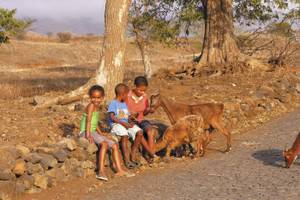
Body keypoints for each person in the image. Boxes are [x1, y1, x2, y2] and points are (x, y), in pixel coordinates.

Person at [79, 85, 131, 181]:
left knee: (114, 145)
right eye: (93, 97)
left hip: (93, 131)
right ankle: (101, 171)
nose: (96, 100)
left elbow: (95, 123)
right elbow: (89, 121)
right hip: (86, 131)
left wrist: (100, 133)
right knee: (104, 144)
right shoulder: (91, 106)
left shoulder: (97, 107)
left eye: (98, 98)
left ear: (102, 98)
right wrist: (88, 134)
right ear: (90, 97)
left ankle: (119, 170)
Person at [108, 83, 154, 168]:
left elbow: (127, 116)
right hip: (117, 124)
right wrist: (123, 123)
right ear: (122, 94)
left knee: (140, 132)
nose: (127, 96)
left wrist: (130, 121)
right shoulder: (113, 103)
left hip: (125, 124)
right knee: (124, 136)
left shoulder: (123, 104)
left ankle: (132, 155)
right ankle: (127, 160)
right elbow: (112, 116)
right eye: (127, 94)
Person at [126, 76, 157, 160]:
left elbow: (144, 113)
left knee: (151, 131)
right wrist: (130, 114)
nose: (142, 92)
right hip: (130, 121)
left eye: (144, 90)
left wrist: (149, 110)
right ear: (135, 86)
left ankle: (149, 154)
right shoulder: (127, 95)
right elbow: (121, 111)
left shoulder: (145, 97)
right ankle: (151, 154)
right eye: (140, 90)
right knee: (139, 133)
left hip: (140, 120)